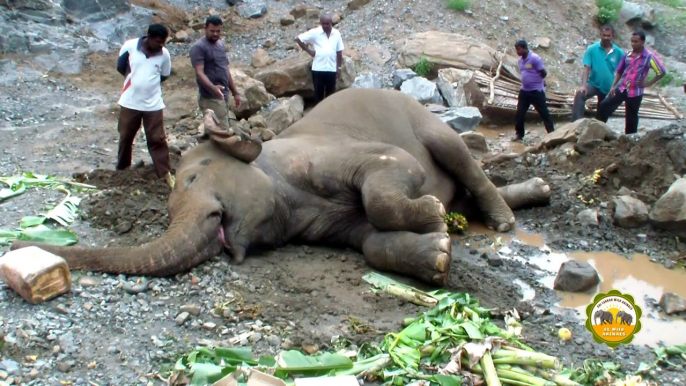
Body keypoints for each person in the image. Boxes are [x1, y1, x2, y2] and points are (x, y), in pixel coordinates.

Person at [115, 23, 175, 189]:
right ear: (148, 38)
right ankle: (122, 169)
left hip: (153, 104)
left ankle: (164, 173)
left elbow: (164, 75)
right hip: (130, 102)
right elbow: (121, 67)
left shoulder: (164, 55)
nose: (160, 46)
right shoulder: (130, 47)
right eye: (157, 42)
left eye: (163, 43)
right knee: (126, 136)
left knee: (157, 139)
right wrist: (135, 83)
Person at [596, 31, 667, 135]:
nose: (633, 44)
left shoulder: (649, 57)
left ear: (642, 42)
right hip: (622, 87)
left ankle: (629, 139)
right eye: (632, 41)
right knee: (604, 106)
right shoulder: (628, 54)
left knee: (631, 116)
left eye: (636, 41)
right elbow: (619, 71)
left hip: (635, 91)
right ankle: (597, 131)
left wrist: (647, 83)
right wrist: (613, 86)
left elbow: (661, 71)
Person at [190, 15, 241, 132]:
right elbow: (199, 73)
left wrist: (235, 92)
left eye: (218, 31)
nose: (215, 34)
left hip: (223, 94)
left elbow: (225, 70)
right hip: (210, 97)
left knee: (220, 129)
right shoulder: (198, 48)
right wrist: (213, 88)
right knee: (221, 131)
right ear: (205, 28)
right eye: (212, 31)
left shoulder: (220, 44)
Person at [571, 25, 625, 122]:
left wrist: (617, 86)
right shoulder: (592, 49)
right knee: (580, 95)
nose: (606, 38)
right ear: (600, 35)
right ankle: (576, 123)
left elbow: (622, 71)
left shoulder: (619, 52)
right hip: (594, 84)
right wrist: (584, 86)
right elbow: (587, 68)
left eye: (608, 36)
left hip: (609, 86)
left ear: (613, 36)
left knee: (603, 108)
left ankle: (599, 127)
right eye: (604, 35)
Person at [295, 14, 344, 105]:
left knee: (330, 95)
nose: (325, 26)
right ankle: (317, 116)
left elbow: (339, 51)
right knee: (318, 94)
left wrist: (339, 67)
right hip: (318, 69)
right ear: (321, 23)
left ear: (331, 24)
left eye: (327, 24)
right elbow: (299, 39)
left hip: (331, 68)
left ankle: (329, 114)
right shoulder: (315, 32)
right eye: (323, 24)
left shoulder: (336, 33)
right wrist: (310, 51)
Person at [512, 40, 555, 141]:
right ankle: (519, 134)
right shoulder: (520, 61)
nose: (517, 52)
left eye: (519, 49)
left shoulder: (535, 59)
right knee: (520, 113)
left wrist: (538, 81)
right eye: (516, 50)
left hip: (536, 91)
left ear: (525, 48)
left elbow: (543, 73)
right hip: (525, 91)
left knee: (544, 113)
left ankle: (552, 133)